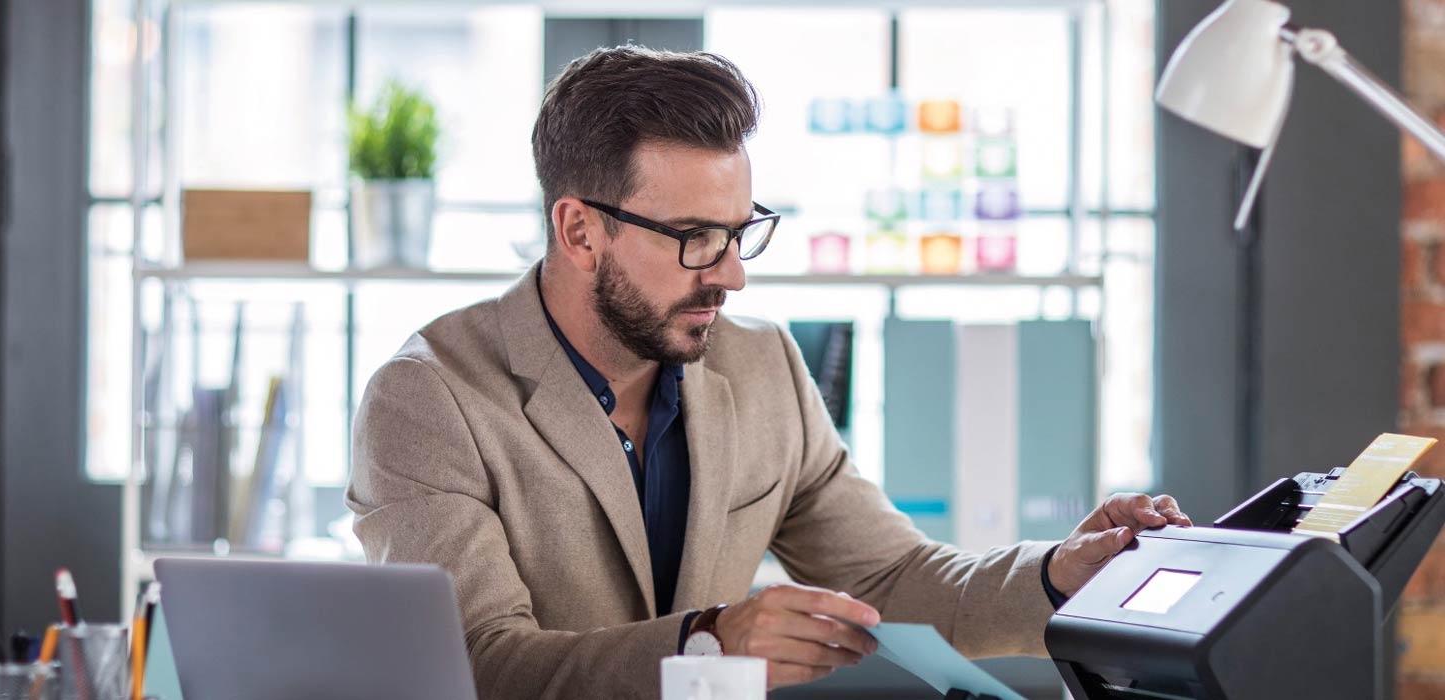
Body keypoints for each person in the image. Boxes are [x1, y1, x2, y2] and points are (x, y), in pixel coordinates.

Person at [346, 45, 1191, 699]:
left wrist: (1059, 573)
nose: (731, 273)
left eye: (740, 231)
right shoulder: (429, 397)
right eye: (693, 239)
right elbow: (482, 666)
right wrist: (709, 644)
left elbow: (891, 580)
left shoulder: (765, 368)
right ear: (578, 232)